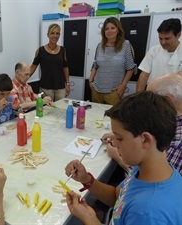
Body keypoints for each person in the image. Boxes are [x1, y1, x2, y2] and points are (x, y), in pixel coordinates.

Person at [65, 91, 182, 225]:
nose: (114, 143)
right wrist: (87, 179)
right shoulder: (146, 170)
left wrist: (89, 219)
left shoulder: (146, 213)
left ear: (145, 140)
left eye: (119, 138)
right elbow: (118, 197)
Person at [102, 73, 182, 175]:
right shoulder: (167, 119)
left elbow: (153, 177)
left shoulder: (178, 141)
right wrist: (123, 135)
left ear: (167, 100)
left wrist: (117, 155)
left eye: (150, 98)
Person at [89, 17, 136, 105]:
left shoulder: (125, 45)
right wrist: (90, 81)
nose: (109, 31)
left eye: (113, 28)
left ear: (118, 30)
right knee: (96, 117)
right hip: (96, 90)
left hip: (113, 92)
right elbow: (95, 65)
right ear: (104, 31)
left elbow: (130, 68)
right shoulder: (100, 46)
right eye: (107, 29)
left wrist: (123, 85)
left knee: (112, 117)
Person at [137, 18, 182, 92]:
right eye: (160, 38)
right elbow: (144, 75)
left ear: (178, 35)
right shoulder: (154, 51)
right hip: (153, 94)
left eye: (167, 39)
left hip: (176, 96)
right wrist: (138, 96)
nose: (163, 42)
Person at [30, 23, 70, 101]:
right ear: (48, 35)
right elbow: (33, 67)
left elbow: (65, 67)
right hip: (46, 88)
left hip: (60, 87)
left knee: (60, 110)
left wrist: (67, 83)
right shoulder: (40, 51)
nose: (55, 36)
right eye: (52, 33)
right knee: (46, 111)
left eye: (57, 33)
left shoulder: (62, 50)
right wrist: (22, 80)